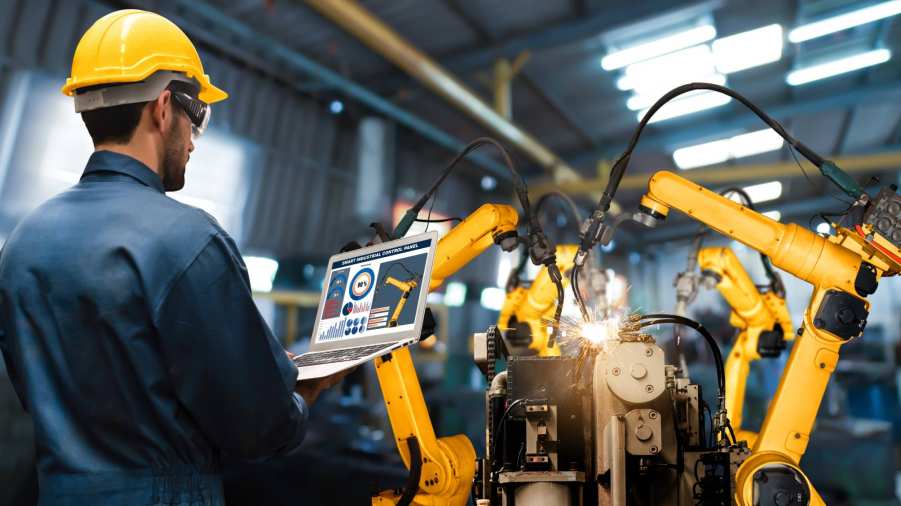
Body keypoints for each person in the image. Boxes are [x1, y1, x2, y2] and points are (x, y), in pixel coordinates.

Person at [0, 9, 346, 505]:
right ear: (164, 108)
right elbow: (258, 428)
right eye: (196, 116)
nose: (193, 141)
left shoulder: (23, 242)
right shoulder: (188, 240)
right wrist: (300, 394)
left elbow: (37, 390)